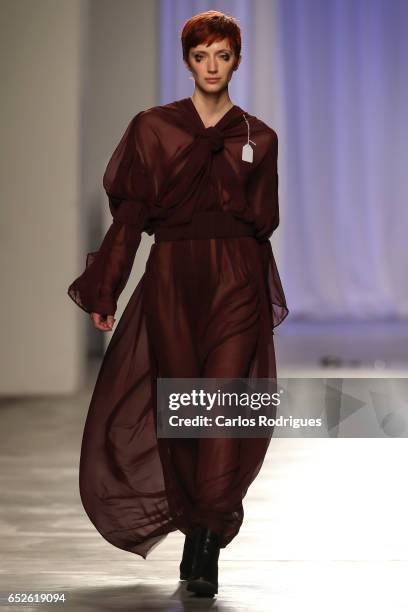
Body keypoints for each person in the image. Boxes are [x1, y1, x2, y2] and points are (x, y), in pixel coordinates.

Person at [67, 9, 289, 598]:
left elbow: (264, 222)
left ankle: (208, 538)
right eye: (200, 56)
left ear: (236, 60)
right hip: (173, 277)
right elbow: (132, 217)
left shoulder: (258, 137)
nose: (212, 66)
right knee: (183, 409)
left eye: (222, 55)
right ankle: (195, 524)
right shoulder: (153, 129)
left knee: (219, 407)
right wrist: (107, 285)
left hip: (237, 278)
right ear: (187, 61)